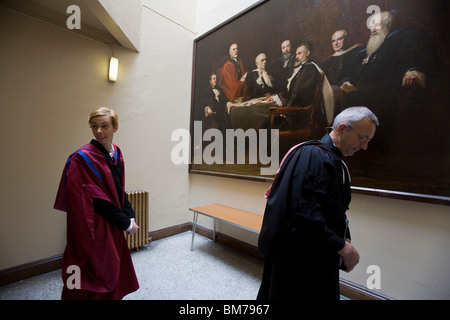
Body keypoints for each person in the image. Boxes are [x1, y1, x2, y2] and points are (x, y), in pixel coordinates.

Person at [257, 106, 379, 300]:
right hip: (300, 260)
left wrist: (344, 236)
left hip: (312, 252)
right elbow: (304, 216)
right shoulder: (316, 157)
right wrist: (343, 247)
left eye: (368, 141)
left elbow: (331, 208)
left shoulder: (324, 157)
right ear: (341, 128)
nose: (364, 147)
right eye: (362, 138)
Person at [54, 107, 139, 300]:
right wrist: (125, 222)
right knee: (96, 270)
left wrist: (130, 214)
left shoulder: (116, 153)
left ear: (115, 128)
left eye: (104, 126)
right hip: (94, 223)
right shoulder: (82, 158)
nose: (99, 131)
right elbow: (95, 199)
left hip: (114, 220)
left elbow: (119, 188)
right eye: (94, 126)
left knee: (113, 265)